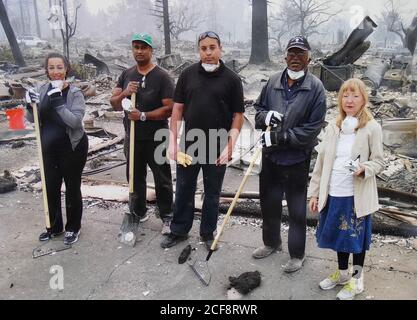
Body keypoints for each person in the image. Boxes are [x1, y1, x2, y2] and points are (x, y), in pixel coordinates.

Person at [161, 31, 245, 250]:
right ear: (198, 50)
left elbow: (238, 115)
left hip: (217, 144)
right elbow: (177, 109)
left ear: (220, 48)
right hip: (189, 143)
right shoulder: (188, 75)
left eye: (212, 47)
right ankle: (178, 230)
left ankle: (208, 233)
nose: (208, 52)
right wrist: (172, 141)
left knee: (212, 192)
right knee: (184, 188)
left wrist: (230, 146)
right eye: (203, 48)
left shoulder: (232, 79)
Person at [253, 36, 327, 273]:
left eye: (301, 54)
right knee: (269, 204)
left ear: (309, 58)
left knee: (296, 210)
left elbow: (312, 129)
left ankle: (297, 254)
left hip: (297, 160)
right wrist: (265, 117)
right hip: (271, 158)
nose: (295, 58)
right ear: (285, 56)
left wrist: (280, 137)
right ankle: (271, 243)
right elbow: (257, 111)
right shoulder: (273, 81)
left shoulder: (316, 88)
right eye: (292, 53)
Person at [307, 78, 385, 300]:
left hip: (355, 196)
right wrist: (314, 193)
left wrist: (363, 168)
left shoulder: (371, 128)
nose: (349, 100)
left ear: (364, 100)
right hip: (334, 193)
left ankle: (357, 279)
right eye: (345, 95)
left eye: (355, 96)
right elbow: (322, 164)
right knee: (339, 237)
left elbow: (379, 162)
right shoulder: (334, 126)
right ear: (340, 99)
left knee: (356, 240)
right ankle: (342, 274)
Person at [110, 33, 174, 235]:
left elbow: (170, 109)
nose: (139, 51)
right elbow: (113, 104)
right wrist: (125, 93)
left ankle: (167, 216)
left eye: (143, 47)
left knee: (162, 177)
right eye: (136, 47)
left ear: (151, 50)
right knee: (134, 176)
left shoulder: (162, 77)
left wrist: (144, 115)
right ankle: (138, 212)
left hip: (156, 137)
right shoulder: (127, 75)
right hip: (133, 137)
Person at [25, 52, 88, 245]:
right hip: (49, 148)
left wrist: (58, 102)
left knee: (71, 187)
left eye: (59, 67)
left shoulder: (75, 93)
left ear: (66, 69)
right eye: (51, 68)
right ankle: (54, 226)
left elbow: (75, 122)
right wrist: (29, 106)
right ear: (46, 70)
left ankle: (72, 228)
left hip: (72, 146)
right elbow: (31, 119)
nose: (56, 72)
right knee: (50, 187)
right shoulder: (41, 89)